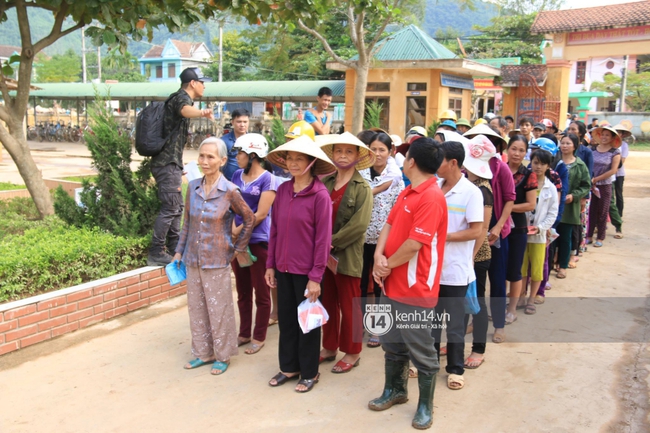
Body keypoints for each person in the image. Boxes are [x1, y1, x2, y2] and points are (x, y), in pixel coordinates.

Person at [369, 137, 447, 430]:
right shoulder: (408, 192)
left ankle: (425, 406)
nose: (401, 159)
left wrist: (385, 265)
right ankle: (396, 390)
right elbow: (388, 225)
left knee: (422, 350)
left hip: (415, 288)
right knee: (392, 344)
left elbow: (415, 244)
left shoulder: (431, 197)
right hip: (391, 283)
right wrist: (378, 254)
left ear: (412, 161)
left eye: (404, 156)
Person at [174, 138, 255, 376]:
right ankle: (203, 352)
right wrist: (179, 251)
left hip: (218, 260)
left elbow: (249, 219)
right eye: (201, 156)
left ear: (222, 161)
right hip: (193, 258)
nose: (205, 161)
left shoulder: (230, 191)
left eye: (210, 157)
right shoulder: (194, 187)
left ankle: (222, 355)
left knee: (219, 309)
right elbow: (186, 223)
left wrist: (237, 248)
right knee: (197, 309)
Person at [264, 135, 334, 393]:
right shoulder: (282, 191)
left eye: (299, 159)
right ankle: (289, 367)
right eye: (289, 158)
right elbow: (275, 231)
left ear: (311, 162)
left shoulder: (320, 196)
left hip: (307, 272)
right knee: (287, 320)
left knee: (308, 322)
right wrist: (270, 264)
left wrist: (316, 276)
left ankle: (310, 372)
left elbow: (323, 240)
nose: (292, 163)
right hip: (282, 268)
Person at [318, 132, 374, 373]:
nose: (342, 155)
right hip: (321, 255)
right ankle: (329, 347)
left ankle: (352, 352)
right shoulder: (326, 182)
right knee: (326, 301)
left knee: (349, 302)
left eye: (348, 151)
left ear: (357, 156)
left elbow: (360, 225)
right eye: (339, 151)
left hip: (347, 255)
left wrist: (330, 242)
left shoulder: (363, 188)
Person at [431, 140, 484, 391]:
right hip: (430, 269)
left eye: (439, 159)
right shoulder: (434, 186)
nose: (435, 164)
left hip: (454, 271)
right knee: (429, 322)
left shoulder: (471, 192)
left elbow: (476, 231)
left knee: (454, 324)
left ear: (453, 163)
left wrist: (445, 237)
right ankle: (428, 364)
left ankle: (455, 369)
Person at [148, 67, 214, 266]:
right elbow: (184, 110)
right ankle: (156, 251)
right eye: (202, 82)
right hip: (166, 164)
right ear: (193, 83)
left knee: (177, 207)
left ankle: (176, 246)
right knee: (170, 207)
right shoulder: (179, 98)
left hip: (172, 164)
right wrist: (202, 112)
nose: (204, 86)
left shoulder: (182, 98)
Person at [463, 126, 515, 343]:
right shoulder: (467, 170)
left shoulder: (501, 168)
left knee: (497, 279)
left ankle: (499, 325)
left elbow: (510, 198)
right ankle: (473, 322)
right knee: (472, 284)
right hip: (474, 230)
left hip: (495, 228)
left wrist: (497, 227)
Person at [230, 133, 278, 355]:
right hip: (237, 244)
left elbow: (261, 214)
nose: (237, 157)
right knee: (242, 291)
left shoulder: (268, 179)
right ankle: (243, 333)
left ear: (253, 155)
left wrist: (238, 230)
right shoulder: (237, 175)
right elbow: (229, 205)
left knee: (261, 292)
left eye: (240, 153)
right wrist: (231, 228)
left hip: (258, 242)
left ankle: (259, 336)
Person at [359, 132, 406, 349]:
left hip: (384, 241)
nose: (377, 154)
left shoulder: (396, 178)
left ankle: (377, 328)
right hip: (359, 239)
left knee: (380, 283)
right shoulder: (359, 174)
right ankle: (360, 323)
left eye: (382, 150)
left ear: (391, 152)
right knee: (359, 283)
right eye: (374, 149)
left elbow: (400, 212)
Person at [461, 135, 496, 369]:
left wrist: (470, 258)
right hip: (465, 254)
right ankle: (455, 343)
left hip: (477, 255)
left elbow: (482, 228)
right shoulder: (471, 185)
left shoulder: (483, 190)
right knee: (460, 302)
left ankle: (478, 349)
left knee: (477, 303)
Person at [520, 149, 558, 315]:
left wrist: (540, 228)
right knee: (520, 268)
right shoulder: (525, 183)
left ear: (548, 166)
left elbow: (552, 213)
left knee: (536, 269)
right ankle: (520, 295)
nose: (538, 167)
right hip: (521, 233)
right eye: (535, 162)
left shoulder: (550, 188)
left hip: (539, 236)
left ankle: (531, 299)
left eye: (542, 164)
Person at [504, 135, 538, 325]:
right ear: (507, 149)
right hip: (498, 227)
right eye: (514, 148)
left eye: (521, 150)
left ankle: (511, 309)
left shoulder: (528, 174)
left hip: (518, 228)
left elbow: (530, 204)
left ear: (526, 153)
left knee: (515, 269)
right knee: (499, 270)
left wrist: (507, 208)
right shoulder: (498, 170)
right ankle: (498, 305)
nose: (517, 153)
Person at [556, 133, 591, 279]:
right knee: (551, 237)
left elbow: (586, 185)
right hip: (554, 205)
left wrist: (574, 195)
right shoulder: (555, 162)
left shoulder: (580, 164)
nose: (564, 146)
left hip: (570, 207)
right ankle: (552, 262)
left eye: (568, 143)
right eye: (563, 143)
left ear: (575, 146)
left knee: (565, 237)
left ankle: (563, 266)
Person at [587, 126, 621, 247]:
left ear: (612, 138)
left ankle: (600, 237)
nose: (604, 137)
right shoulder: (592, 149)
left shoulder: (615, 152)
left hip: (605, 185)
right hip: (591, 185)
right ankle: (589, 235)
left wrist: (596, 179)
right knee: (590, 210)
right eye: (603, 134)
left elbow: (613, 170)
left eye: (608, 135)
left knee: (603, 211)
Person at [610, 124, 631, 238]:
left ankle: (619, 215)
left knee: (618, 195)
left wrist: (613, 169)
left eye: (620, 132)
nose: (618, 133)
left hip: (619, 173)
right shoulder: (609, 144)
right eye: (616, 131)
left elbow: (622, 160)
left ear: (623, 134)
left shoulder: (624, 145)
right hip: (608, 175)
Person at [221, 109, 250, 181]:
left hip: (249, 183)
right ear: (232, 122)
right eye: (239, 122)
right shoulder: (224, 141)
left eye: (245, 122)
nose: (242, 125)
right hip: (229, 182)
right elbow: (219, 162)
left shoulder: (253, 140)